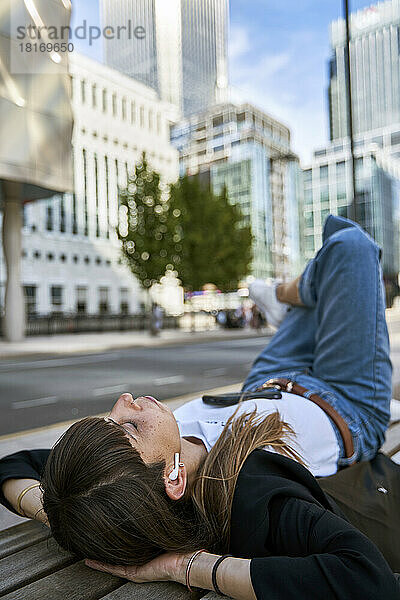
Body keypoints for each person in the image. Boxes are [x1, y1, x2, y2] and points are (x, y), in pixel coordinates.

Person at [1, 215, 399, 599]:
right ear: (173, 479)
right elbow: (363, 577)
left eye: (112, 418)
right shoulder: (251, 496)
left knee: (332, 273)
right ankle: (285, 296)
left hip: (265, 381)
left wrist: (73, 523)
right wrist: (182, 566)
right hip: (347, 401)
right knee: (349, 246)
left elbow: (12, 465)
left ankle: (295, 302)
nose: (125, 401)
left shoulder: (106, 481)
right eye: (131, 427)